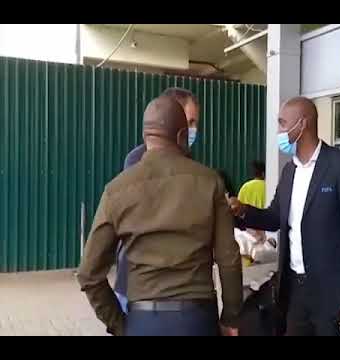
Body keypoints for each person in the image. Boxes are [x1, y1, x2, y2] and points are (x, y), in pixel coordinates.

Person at [77, 95, 242, 336]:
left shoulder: (116, 190)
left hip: (143, 321)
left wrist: (120, 324)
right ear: (180, 136)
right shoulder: (210, 182)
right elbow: (229, 259)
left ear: (146, 136)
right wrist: (230, 317)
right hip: (198, 321)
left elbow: (88, 274)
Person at [228, 96, 340, 336]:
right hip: (294, 290)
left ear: (302, 124)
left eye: (282, 123)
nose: (279, 131)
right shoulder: (289, 170)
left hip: (332, 294)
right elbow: (275, 217)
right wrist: (242, 211)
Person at [114, 88, 200, 313]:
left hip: (176, 286)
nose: (194, 130)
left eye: (195, 123)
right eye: (190, 121)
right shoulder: (137, 160)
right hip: (139, 286)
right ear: (171, 116)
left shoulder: (188, 160)